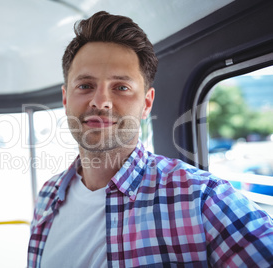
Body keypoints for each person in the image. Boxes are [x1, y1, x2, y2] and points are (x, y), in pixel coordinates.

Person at [27, 11, 273, 267]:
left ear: (146, 104)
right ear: (66, 99)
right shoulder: (47, 196)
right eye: (85, 85)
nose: (100, 101)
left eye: (121, 87)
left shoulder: (202, 199)